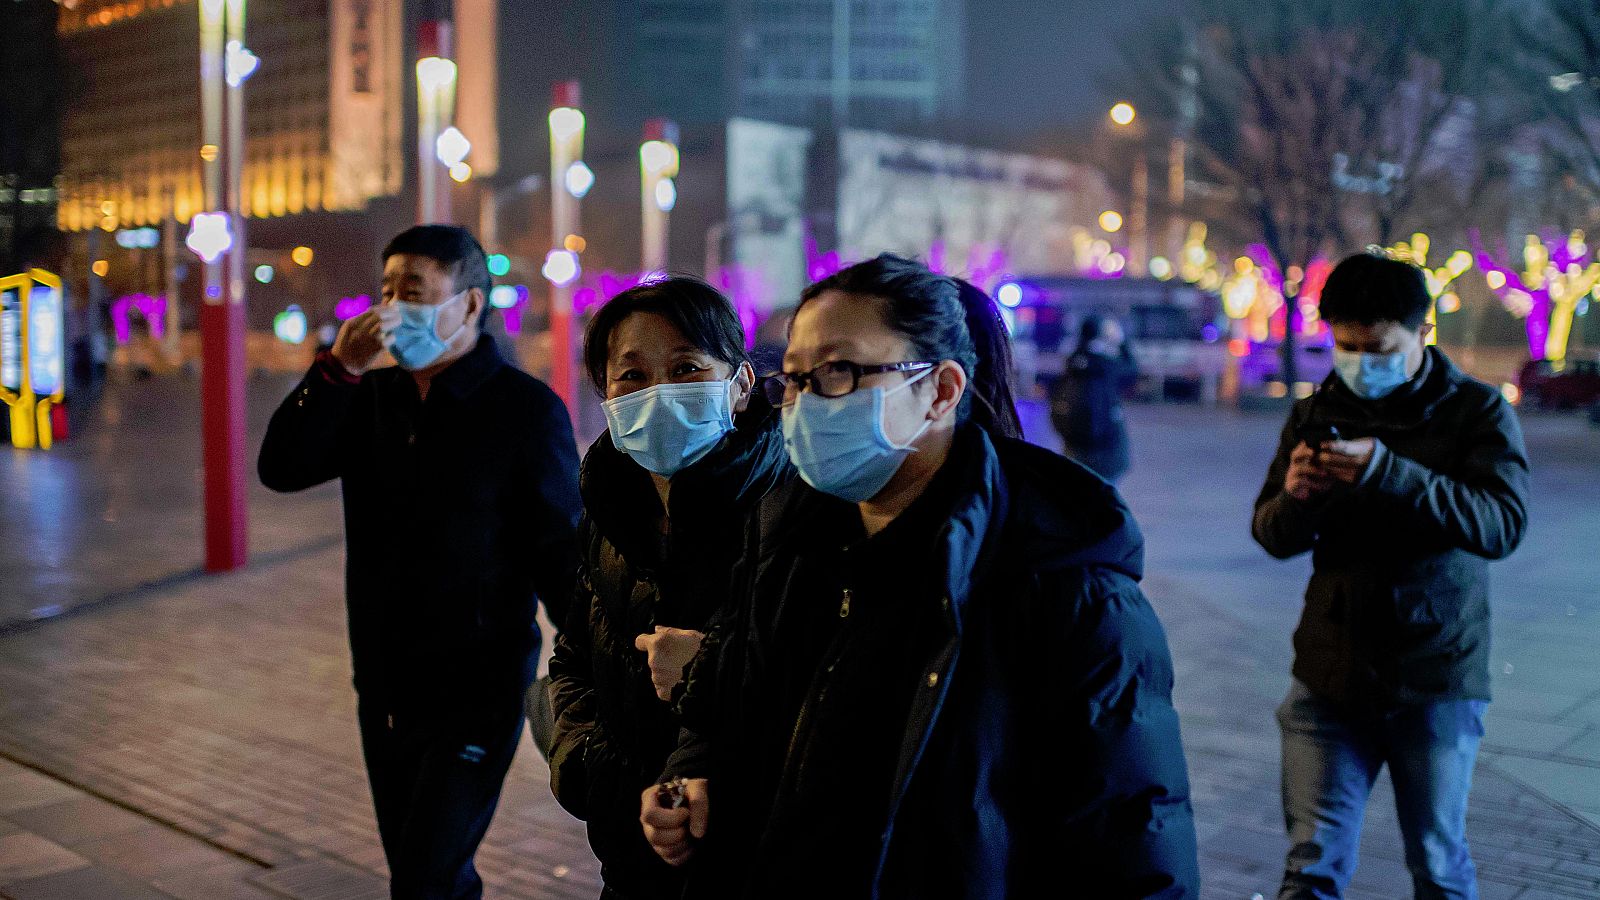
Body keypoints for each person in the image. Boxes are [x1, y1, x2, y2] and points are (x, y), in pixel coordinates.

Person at [641, 255, 1199, 899]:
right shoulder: (792, 545)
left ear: (940, 390)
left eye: (838, 372)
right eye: (792, 379)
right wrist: (698, 778)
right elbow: (754, 730)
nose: (802, 404)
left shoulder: (1066, 591)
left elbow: (1132, 854)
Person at [258, 224, 581, 900]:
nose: (390, 308)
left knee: (425, 876)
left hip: (478, 691)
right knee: (419, 869)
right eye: (385, 291)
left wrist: (596, 663)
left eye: (413, 292)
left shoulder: (524, 411)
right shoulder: (371, 399)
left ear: (468, 304)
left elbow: (559, 552)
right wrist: (337, 372)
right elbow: (282, 467)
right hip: (382, 686)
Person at [1251, 252, 1530, 899]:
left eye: (1377, 348)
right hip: (1328, 676)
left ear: (1421, 333)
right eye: (1345, 347)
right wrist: (1296, 497)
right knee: (1309, 866)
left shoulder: (1476, 413)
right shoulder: (1317, 410)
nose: (1359, 362)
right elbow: (1270, 534)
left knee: (1437, 864)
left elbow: (1501, 525)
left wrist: (1389, 471)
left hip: (1435, 678)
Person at [546, 277, 792, 900]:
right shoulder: (607, 513)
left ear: (738, 386)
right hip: (626, 850)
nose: (657, 394)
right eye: (631, 376)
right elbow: (572, 661)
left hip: (749, 855)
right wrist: (597, 777)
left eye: (686, 368)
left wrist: (706, 670)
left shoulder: (792, 512)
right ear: (605, 394)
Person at [1051, 313, 1138, 482]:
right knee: (1105, 501)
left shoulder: (1073, 363)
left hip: (1074, 447)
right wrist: (1121, 341)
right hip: (1107, 451)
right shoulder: (1107, 365)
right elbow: (1132, 369)